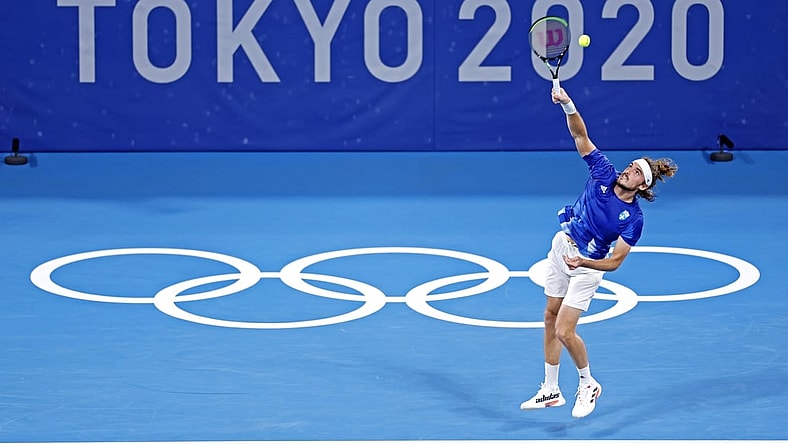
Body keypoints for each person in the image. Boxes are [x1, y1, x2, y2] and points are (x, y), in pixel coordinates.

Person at [519, 87, 678, 418]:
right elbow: (581, 135)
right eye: (630, 166)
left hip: (589, 268)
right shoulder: (603, 172)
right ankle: (550, 389)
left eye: (635, 172)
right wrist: (567, 104)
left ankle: (588, 383)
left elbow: (615, 262)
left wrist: (584, 262)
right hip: (562, 246)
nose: (628, 171)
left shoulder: (633, 219)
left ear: (643, 186)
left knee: (565, 329)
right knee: (549, 316)